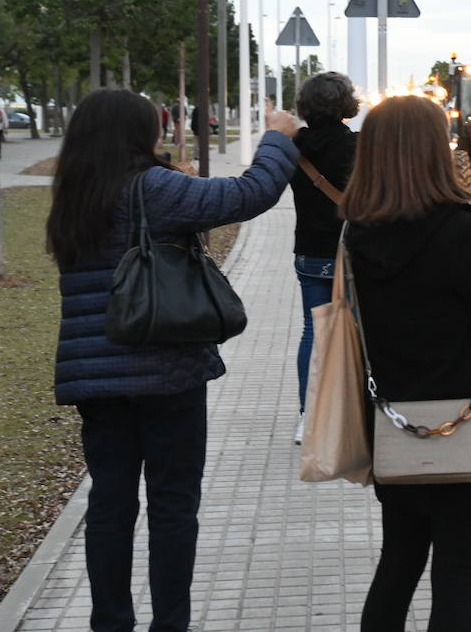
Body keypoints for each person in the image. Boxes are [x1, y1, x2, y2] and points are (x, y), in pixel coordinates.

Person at [46, 88, 300, 632]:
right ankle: (170, 624)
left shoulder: (73, 194)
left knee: (110, 505)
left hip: (95, 379)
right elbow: (248, 194)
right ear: (138, 135)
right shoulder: (152, 187)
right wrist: (276, 138)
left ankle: (110, 622)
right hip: (166, 374)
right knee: (172, 506)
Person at [341, 95, 471, 631]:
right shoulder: (458, 232)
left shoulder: (358, 232)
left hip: (395, 421)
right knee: (455, 582)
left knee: (397, 565)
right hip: (464, 425)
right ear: (431, 152)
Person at [289, 72, 359, 443]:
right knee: (357, 332)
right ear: (346, 104)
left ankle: (309, 417)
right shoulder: (357, 146)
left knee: (312, 332)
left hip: (310, 252)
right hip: (353, 253)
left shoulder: (294, 147)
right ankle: (357, 413)